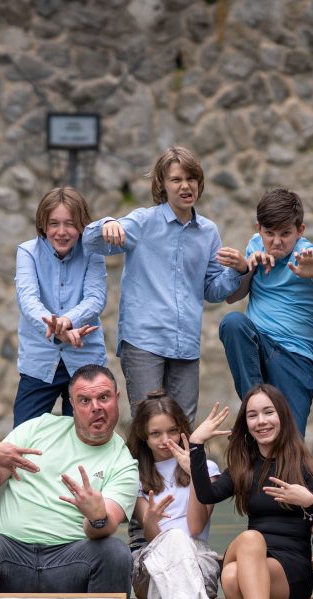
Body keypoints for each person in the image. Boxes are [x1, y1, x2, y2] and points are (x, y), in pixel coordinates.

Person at [174, 385, 313, 599]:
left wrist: (310, 502)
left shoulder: (305, 465)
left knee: (231, 576)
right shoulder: (244, 465)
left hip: (289, 574)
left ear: (282, 416)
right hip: (253, 558)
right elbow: (207, 493)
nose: (261, 421)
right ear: (246, 424)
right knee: (251, 543)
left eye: (268, 412)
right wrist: (197, 445)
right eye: (253, 415)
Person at [81, 146, 246, 422]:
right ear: (162, 185)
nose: (185, 186)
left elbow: (211, 290)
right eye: (176, 179)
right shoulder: (143, 222)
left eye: (191, 179)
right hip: (143, 342)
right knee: (148, 426)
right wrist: (107, 223)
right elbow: (90, 241)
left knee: (183, 427)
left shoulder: (209, 232)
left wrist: (238, 271)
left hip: (186, 344)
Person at [0, 364, 137, 596]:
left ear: (116, 398)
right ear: (72, 405)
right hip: (10, 556)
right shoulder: (37, 428)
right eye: (84, 400)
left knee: (116, 553)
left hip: (71, 562)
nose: (96, 407)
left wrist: (97, 517)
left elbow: (104, 527)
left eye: (103, 397)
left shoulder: (124, 463)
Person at [125, 392, 226, 599]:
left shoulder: (207, 468)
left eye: (171, 431)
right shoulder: (134, 475)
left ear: (183, 429)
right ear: (143, 436)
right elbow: (153, 538)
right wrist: (151, 521)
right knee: (169, 544)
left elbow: (194, 527)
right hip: (151, 559)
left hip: (197, 563)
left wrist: (194, 472)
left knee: (178, 544)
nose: (164, 440)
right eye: (155, 433)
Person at [218, 188, 313, 436]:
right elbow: (233, 297)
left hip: (294, 355)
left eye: (285, 233)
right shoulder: (255, 245)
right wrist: (247, 269)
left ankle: (263, 426)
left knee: (291, 440)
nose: (276, 241)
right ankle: (254, 406)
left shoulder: (306, 253)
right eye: (269, 233)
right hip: (258, 344)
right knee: (233, 323)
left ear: (300, 230)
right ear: (259, 228)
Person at [14, 187, 107, 426]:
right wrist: (56, 329)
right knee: (23, 433)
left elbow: (95, 298)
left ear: (82, 224)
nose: (62, 232)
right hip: (39, 360)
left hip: (85, 359)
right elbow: (28, 300)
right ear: (42, 224)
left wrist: (67, 321)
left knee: (86, 433)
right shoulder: (27, 252)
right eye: (54, 224)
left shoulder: (93, 252)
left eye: (70, 224)